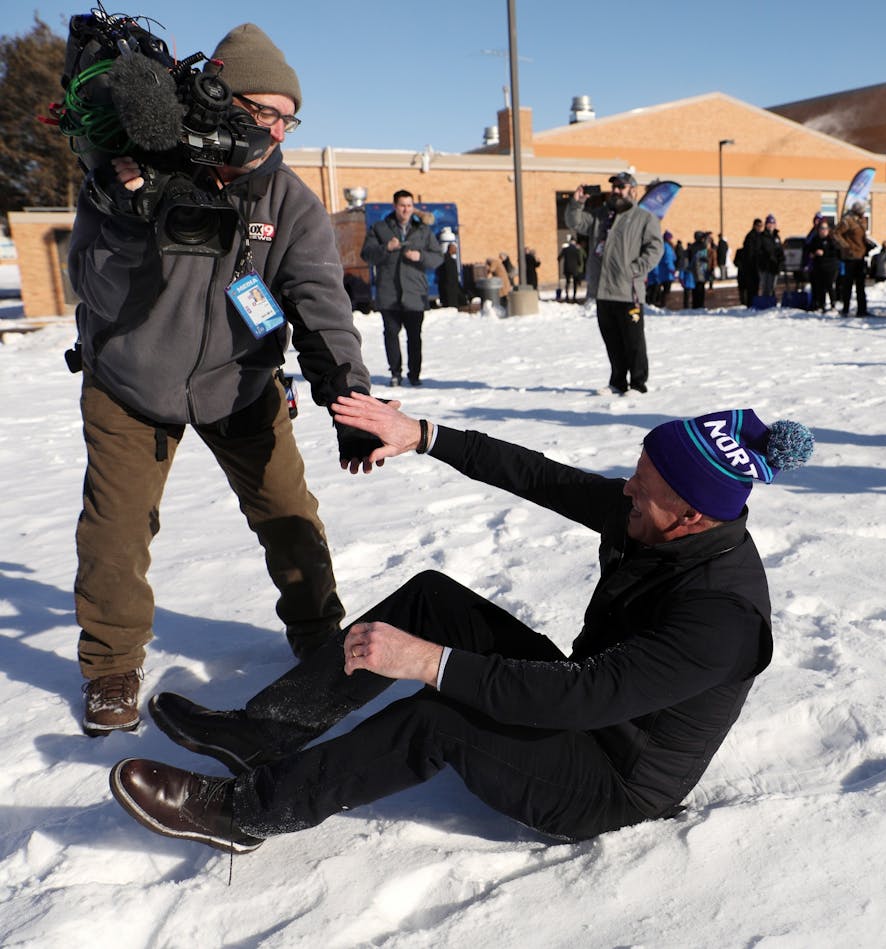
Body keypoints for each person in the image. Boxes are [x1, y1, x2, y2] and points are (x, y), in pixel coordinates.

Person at [107, 399, 815, 854]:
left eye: (645, 484)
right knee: (433, 597)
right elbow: (542, 477)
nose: (626, 486)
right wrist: (425, 435)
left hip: (609, 778)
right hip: (577, 702)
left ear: (693, 515)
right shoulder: (657, 520)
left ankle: (245, 810)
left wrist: (429, 662)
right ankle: (265, 732)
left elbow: (583, 696)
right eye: (636, 468)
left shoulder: (722, 616)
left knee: (436, 717)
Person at [67, 23, 378, 738]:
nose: (272, 128)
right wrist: (128, 219)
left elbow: (322, 305)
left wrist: (348, 395)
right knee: (115, 530)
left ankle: (317, 632)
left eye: (285, 115)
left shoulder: (289, 203)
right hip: (129, 383)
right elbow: (93, 289)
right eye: (258, 109)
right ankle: (111, 663)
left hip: (239, 384)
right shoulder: (131, 167)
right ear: (215, 100)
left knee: (287, 512)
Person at [565, 172, 664, 394]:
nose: (616, 191)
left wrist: (635, 270)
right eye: (614, 187)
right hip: (603, 290)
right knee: (612, 342)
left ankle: (638, 383)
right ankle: (617, 381)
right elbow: (575, 222)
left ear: (633, 191)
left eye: (621, 186)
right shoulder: (600, 216)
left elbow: (655, 248)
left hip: (628, 292)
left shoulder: (644, 218)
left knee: (634, 342)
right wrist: (577, 202)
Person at [362, 190, 443, 388]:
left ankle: (414, 374)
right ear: (394, 206)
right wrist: (386, 248)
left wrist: (420, 257)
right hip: (388, 293)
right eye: (402, 205)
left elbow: (438, 257)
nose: (406, 209)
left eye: (409, 205)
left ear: (412, 207)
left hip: (415, 293)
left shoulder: (423, 230)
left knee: (414, 337)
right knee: (391, 335)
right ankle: (395, 373)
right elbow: (366, 254)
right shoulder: (380, 228)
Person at [834, 203, 871, 317]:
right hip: (850, 257)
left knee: (861, 285)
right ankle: (846, 309)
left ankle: (862, 309)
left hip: (861, 255)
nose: (863, 213)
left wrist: (868, 243)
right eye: (861, 211)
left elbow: (862, 236)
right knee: (848, 284)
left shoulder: (863, 221)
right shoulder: (847, 221)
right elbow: (836, 234)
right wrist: (846, 246)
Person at [805, 217, 842, 313]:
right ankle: (821, 304)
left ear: (828, 230)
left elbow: (836, 252)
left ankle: (833, 304)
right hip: (819, 266)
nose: (823, 231)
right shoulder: (815, 239)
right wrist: (813, 253)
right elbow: (809, 249)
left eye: (825, 229)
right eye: (821, 229)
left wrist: (824, 252)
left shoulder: (831, 240)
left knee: (829, 285)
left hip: (830, 266)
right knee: (820, 286)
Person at [436, 243, 465, 309]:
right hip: (450, 289)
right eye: (455, 249)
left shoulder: (447, 259)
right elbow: (449, 275)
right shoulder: (448, 260)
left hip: (451, 288)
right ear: (451, 249)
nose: (456, 250)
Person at [559, 236, 585, 302]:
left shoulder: (565, 249)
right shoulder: (576, 250)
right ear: (575, 242)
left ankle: (567, 296)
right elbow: (579, 260)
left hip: (567, 268)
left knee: (567, 282)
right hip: (574, 268)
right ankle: (574, 297)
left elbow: (559, 257)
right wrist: (579, 265)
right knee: (575, 283)